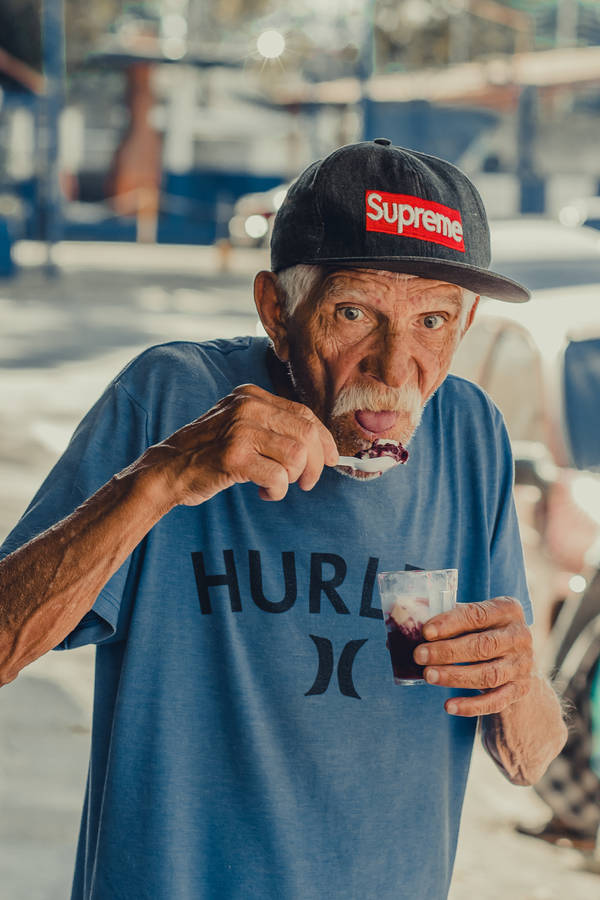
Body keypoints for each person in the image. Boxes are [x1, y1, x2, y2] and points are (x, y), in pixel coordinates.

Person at [0, 139, 567, 900]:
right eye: (355, 312)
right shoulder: (169, 398)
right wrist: (163, 476)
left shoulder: (472, 435)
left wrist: (519, 681)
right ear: (277, 310)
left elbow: (530, 758)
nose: (395, 367)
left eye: (432, 321)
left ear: (464, 327)